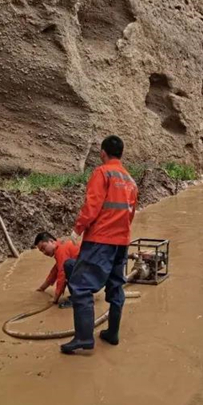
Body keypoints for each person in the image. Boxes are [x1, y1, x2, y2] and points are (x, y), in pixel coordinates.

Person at [60, 135, 138, 354]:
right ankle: (112, 333)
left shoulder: (102, 172)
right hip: (121, 242)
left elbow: (91, 206)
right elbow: (130, 214)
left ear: (103, 152)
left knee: (81, 287)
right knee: (115, 285)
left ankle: (84, 339)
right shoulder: (130, 181)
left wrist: (77, 230)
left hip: (100, 241)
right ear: (121, 154)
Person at [34, 231, 80, 306]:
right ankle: (78, 296)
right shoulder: (60, 247)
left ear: (51, 241)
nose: (44, 252)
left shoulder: (61, 250)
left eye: (44, 248)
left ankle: (77, 299)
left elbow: (62, 274)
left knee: (67, 266)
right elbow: (55, 271)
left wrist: (55, 298)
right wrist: (42, 288)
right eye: (41, 251)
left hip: (91, 275)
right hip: (91, 273)